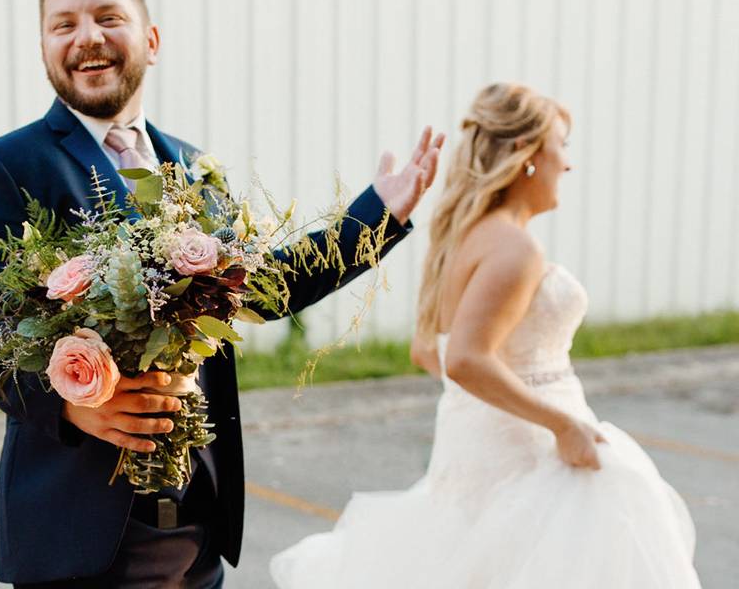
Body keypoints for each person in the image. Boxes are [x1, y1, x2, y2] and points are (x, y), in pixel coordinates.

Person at [0, 0, 443, 586]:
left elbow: (262, 288)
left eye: (108, 17)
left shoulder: (194, 166)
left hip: (196, 523)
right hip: (79, 533)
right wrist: (73, 407)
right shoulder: (3, 166)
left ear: (150, 41)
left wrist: (379, 214)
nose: (88, 37)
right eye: (63, 24)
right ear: (44, 47)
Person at [270, 83, 701, 588]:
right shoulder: (514, 250)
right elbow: (469, 361)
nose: (568, 163)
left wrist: (485, 406)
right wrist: (562, 424)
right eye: (562, 146)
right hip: (528, 451)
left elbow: (430, 351)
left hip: (488, 441)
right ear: (527, 154)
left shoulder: (465, 235)